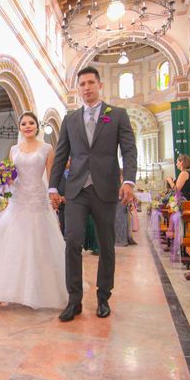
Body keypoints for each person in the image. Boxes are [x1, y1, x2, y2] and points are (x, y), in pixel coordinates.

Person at [49, 66, 138, 322]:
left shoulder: (117, 115)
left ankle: (103, 298)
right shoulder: (70, 119)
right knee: (73, 241)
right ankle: (74, 300)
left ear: (100, 85)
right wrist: (53, 186)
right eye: (82, 84)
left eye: (90, 83)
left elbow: (129, 151)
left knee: (106, 245)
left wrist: (129, 180)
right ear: (78, 89)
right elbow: (61, 155)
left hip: (106, 188)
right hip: (76, 190)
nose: (86, 88)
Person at [0, 112, 68, 309]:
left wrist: (54, 196)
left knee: (39, 243)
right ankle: (5, 290)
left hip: (37, 198)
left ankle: (40, 291)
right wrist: (0, 180)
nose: (27, 126)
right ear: (19, 128)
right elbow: (11, 175)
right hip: (17, 200)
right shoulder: (14, 149)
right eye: (24, 123)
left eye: (31, 123)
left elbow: (52, 177)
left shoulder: (47, 148)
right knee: (12, 243)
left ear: (37, 126)